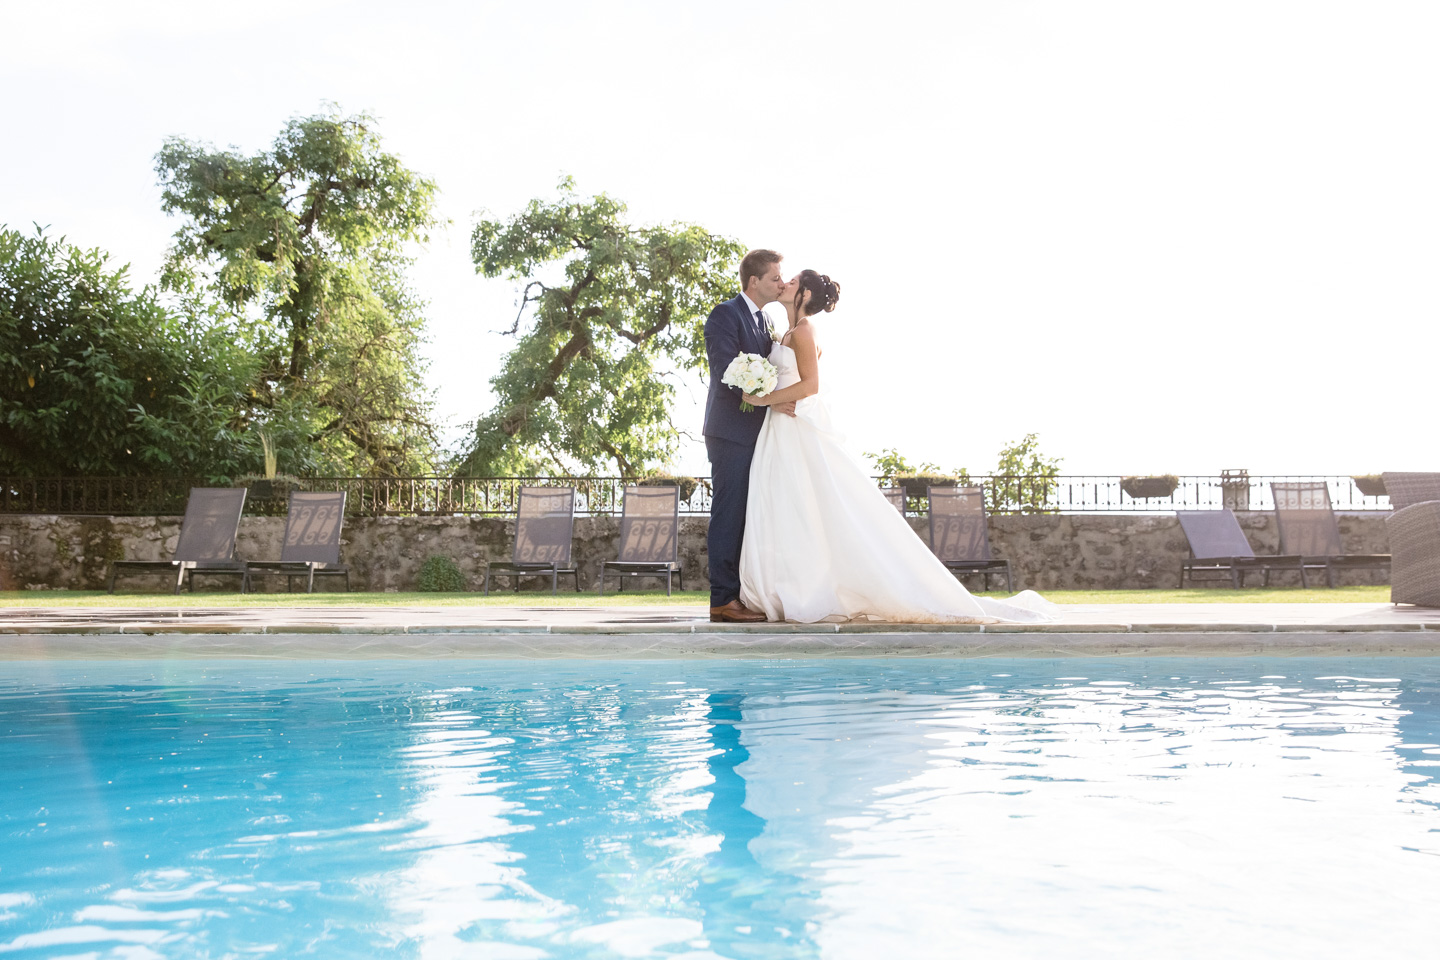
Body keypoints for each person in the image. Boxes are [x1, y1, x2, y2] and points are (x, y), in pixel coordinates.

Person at [736, 269, 1057, 624]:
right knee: (787, 507)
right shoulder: (787, 333)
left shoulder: (805, 332)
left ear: (806, 294)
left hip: (795, 430)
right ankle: (786, 584)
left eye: (793, 282)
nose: (785, 284)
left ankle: (812, 589)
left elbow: (810, 385)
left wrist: (765, 399)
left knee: (808, 506)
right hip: (780, 431)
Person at [701, 249, 796, 623]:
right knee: (729, 513)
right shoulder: (725, 314)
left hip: (758, 434)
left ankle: (743, 593)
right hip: (730, 432)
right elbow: (726, 368)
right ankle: (722, 599)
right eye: (775, 277)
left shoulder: (765, 321)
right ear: (753, 281)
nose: (780, 283)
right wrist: (769, 400)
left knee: (750, 514)